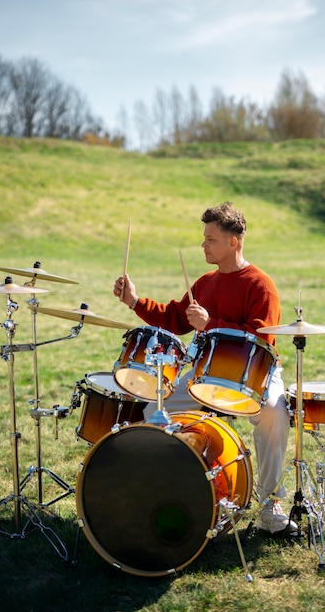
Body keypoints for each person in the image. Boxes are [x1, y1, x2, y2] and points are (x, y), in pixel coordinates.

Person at [113, 201, 295, 534]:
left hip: (254, 375)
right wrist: (135, 302)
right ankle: (166, 488)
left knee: (275, 413)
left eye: (211, 239)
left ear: (233, 242)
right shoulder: (206, 282)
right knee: (153, 410)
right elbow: (173, 318)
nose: (204, 245)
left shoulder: (260, 284)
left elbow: (263, 336)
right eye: (204, 238)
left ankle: (270, 503)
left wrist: (212, 323)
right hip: (204, 374)